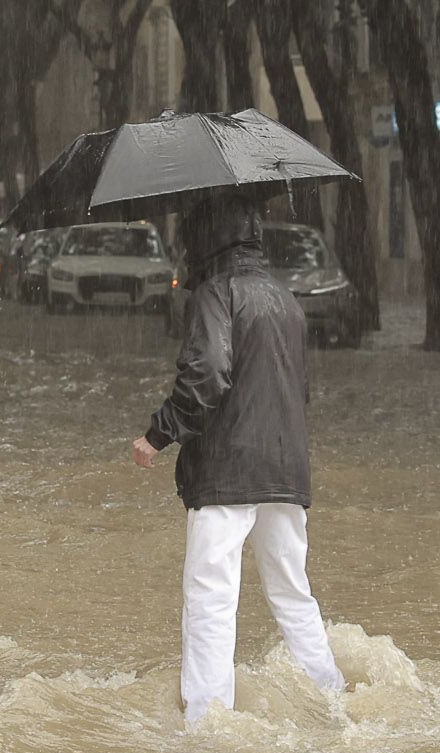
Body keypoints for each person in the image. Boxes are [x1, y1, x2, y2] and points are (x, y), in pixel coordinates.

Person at [131, 192, 345, 721]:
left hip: (228, 471)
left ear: (206, 236)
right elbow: (299, 388)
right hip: (286, 468)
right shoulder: (285, 300)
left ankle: (205, 722)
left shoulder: (215, 294)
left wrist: (157, 436)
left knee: (210, 595)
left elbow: (206, 375)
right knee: (293, 593)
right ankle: (332, 697)